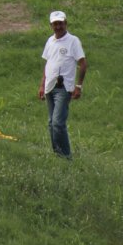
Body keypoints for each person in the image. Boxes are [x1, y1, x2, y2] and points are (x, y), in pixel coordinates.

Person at [37, 10, 88, 159]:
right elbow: (48, 64)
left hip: (64, 88)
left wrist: (78, 86)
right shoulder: (50, 41)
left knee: (58, 123)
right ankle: (57, 153)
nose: (58, 27)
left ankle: (66, 156)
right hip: (50, 86)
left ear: (66, 23)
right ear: (51, 25)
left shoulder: (73, 41)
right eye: (55, 24)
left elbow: (83, 64)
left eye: (60, 23)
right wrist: (42, 85)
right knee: (51, 123)